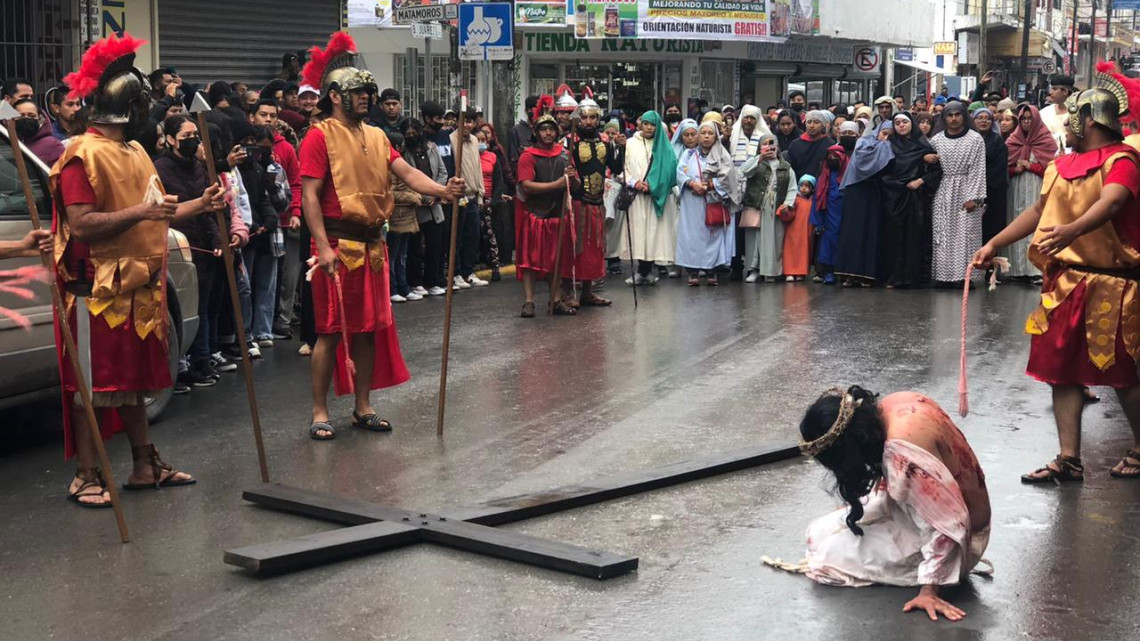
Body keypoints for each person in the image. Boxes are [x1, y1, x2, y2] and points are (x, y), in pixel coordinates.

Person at [50, 33, 224, 506]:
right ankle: (87, 475)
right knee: (94, 385)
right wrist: (142, 213)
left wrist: (199, 204)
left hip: (140, 286)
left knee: (131, 386)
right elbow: (83, 225)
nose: (151, 112)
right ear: (128, 105)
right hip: (97, 291)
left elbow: (157, 211)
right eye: (144, 103)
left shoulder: (134, 150)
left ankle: (145, 463)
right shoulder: (80, 154)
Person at [973, 72, 1140, 483]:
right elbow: (1036, 214)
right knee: (1060, 370)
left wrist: (1072, 230)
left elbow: (1113, 200)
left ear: (1092, 119)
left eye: (1073, 118)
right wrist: (994, 243)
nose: (1066, 124)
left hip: (1112, 284)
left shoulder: (1124, 160)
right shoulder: (1060, 165)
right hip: (1064, 283)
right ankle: (1069, 458)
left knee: (1122, 373)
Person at [298, 32, 463, 440]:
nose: (367, 98)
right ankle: (320, 411)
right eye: (358, 92)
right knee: (330, 331)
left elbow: (406, 173)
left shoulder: (376, 135)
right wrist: (321, 247)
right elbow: (310, 197)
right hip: (337, 245)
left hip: (373, 246)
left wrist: (442, 190)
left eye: (369, 92)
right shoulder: (319, 136)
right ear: (335, 95)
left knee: (370, 329)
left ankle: (362, 405)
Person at [780, 387, 990, 621]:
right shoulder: (892, 405)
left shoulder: (901, 451)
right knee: (819, 533)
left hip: (962, 542)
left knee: (824, 557)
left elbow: (945, 524)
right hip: (943, 516)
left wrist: (930, 590)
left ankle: (936, 573)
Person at [155, 114, 225, 387]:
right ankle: (179, 367)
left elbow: (213, 209)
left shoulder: (200, 167)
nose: (192, 141)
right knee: (178, 310)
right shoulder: (160, 169)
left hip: (205, 247)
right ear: (171, 140)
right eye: (186, 137)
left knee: (203, 307)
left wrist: (219, 240)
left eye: (195, 135)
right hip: (178, 246)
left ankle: (201, 361)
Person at [515, 112, 578, 317]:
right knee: (530, 260)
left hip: (558, 214)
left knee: (556, 259)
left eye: (551, 129)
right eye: (544, 129)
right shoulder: (528, 155)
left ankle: (556, 299)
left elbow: (574, 186)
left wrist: (572, 178)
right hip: (536, 214)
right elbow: (527, 186)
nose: (548, 133)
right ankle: (529, 301)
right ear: (536, 132)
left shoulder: (564, 154)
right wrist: (557, 183)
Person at [566, 95, 621, 306]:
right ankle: (568, 293)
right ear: (578, 119)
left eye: (592, 117)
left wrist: (621, 148)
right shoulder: (570, 141)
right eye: (584, 117)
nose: (588, 122)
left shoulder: (605, 140)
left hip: (597, 201)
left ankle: (587, 292)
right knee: (575, 247)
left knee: (594, 248)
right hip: (578, 201)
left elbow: (615, 168)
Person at [929, 101, 987, 286]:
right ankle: (943, 276)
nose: (953, 119)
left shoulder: (975, 139)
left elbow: (978, 169)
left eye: (957, 114)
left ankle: (965, 276)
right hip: (943, 189)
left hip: (966, 189)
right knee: (943, 233)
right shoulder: (936, 140)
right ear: (944, 118)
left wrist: (975, 198)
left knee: (966, 234)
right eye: (949, 115)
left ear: (963, 116)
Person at [674, 119, 739, 285]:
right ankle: (693, 272)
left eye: (710, 133)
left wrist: (711, 185)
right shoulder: (688, 155)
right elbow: (680, 173)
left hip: (714, 201)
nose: (706, 137)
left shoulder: (723, 155)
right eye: (702, 133)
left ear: (716, 137)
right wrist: (692, 183)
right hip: (692, 203)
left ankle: (712, 271)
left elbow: (729, 178)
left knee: (714, 236)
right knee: (692, 237)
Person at [880, 112, 940, 289]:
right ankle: (892, 277)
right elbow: (883, 167)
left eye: (904, 122)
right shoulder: (888, 144)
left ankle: (912, 277)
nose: (901, 126)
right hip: (892, 195)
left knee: (913, 236)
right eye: (897, 122)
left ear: (911, 124)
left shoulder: (922, 146)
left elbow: (937, 170)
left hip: (914, 197)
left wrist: (920, 181)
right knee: (893, 237)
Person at [619, 111, 679, 286]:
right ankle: (641, 270)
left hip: (656, 197)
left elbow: (670, 171)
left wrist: (656, 185)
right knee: (639, 233)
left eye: (652, 124)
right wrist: (635, 182)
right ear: (640, 124)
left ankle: (646, 271)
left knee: (654, 233)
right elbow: (622, 169)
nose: (649, 127)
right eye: (645, 123)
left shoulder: (664, 145)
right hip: (637, 196)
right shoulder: (629, 144)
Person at [834, 121, 893, 286]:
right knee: (853, 232)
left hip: (875, 194)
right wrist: (883, 147)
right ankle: (848, 273)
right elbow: (862, 165)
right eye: (884, 133)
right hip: (856, 192)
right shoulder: (864, 144)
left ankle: (867, 275)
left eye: (890, 135)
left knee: (871, 233)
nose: (887, 138)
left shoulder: (891, 146)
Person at [1004, 104, 1057, 283]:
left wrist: (1032, 166)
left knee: (1035, 223)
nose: (1027, 122)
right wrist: (1014, 170)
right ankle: (1016, 270)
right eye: (1023, 119)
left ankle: (1035, 269)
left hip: (1037, 187)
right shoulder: (1012, 141)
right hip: (1016, 189)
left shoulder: (1046, 141)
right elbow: (1003, 167)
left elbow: (1052, 169)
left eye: (1029, 118)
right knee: (1016, 221)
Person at [402, 118, 449, 298]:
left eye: (415, 133)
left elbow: (443, 172)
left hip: (435, 205)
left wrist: (436, 192)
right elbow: (406, 178)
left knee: (435, 246)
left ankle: (433, 281)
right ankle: (416, 282)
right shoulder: (404, 154)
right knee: (414, 247)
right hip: (415, 206)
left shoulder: (431, 148)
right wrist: (422, 196)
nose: (412, 137)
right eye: (408, 134)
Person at [740, 134, 795, 283]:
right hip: (757, 206)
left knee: (774, 240)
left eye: (772, 144)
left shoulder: (785, 167)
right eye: (764, 144)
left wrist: (787, 204)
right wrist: (760, 158)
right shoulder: (756, 162)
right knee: (755, 240)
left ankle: (771, 271)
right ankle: (754, 269)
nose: (769, 147)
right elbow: (744, 171)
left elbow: (792, 188)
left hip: (774, 207)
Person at [450, 107, 488, 288]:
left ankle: (468, 272)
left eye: (470, 121)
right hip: (459, 196)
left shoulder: (474, 140)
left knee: (473, 237)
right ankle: (456, 273)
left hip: (473, 196)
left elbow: (478, 167)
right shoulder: (451, 140)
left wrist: (481, 193)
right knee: (456, 238)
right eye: (463, 120)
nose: (466, 124)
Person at [387, 131, 422, 303]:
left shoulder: (403, 163)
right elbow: (389, 192)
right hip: (395, 218)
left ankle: (404, 287)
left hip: (407, 217)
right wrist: (412, 197)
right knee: (393, 257)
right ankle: (393, 288)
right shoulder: (389, 167)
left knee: (402, 256)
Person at [810, 145, 848, 284]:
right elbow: (817, 198)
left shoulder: (848, 173)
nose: (832, 159)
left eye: (835, 157)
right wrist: (818, 221)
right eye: (829, 157)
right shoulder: (824, 175)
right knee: (828, 244)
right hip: (828, 216)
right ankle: (829, 272)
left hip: (845, 215)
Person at [973, 108, 1009, 247]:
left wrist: (981, 184)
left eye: (987, 118)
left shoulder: (997, 141)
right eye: (979, 118)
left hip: (992, 192)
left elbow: (999, 167)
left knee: (991, 228)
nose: (983, 121)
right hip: (970, 192)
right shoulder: (968, 140)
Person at [474, 128, 503, 284]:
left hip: (488, 201)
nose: (480, 144)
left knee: (490, 235)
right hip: (472, 199)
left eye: (483, 140)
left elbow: (499, 181)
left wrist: (492, 201)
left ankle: (495, 267)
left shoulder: (492, 157)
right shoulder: (469, 157)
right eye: (477, 140)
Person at [787, 110, 835, 189]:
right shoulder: (795, 144)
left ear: (823, 125)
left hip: (821, 187)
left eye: (816, 122)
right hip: (799, 187)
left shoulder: (830, 145)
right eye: (809, 122)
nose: (812, 126)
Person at [9, 98, 64, 166]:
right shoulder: (7, 142)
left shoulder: (53, 145)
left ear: (40, 119)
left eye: (31, 115)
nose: (26, 118)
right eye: (21, 116)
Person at [783, 175, 815, 281]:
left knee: (804, 251)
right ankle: (789, 272)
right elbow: (786, 214)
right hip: (793, 230)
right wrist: (787, 210)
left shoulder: (812, 202)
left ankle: (801, 272)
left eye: (807, 186)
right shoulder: (795, 199)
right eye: (802, 185)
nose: (804, 188)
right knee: (790, 251)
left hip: (806, 231)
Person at [1040, 74, 1076, 153]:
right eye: (1051, 89)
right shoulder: (1044, 113)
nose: (1050, 92)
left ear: (1065, 91)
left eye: (1054, 89)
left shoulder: (1078, 112)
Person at [508, 95, 540, 170]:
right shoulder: (516, 131)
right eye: (531, 109)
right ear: (526, 110)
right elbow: (513, 158)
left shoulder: (546, 130)